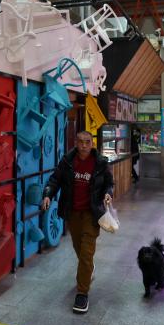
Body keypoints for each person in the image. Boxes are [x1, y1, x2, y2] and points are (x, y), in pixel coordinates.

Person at [41, 131, 114, 314]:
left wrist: (108, 193)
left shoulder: (100, 163)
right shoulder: (67, 161)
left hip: (92, 213)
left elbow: (109, 183)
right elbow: (55, 180)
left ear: (92, 143)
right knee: (79, 249)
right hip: (72, 213)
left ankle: (82, 293)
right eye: (80, 142)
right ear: (76, 143)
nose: (83, 145)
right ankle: (88, 269)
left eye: (87, 142)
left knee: (86, 253)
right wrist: (48, 195)